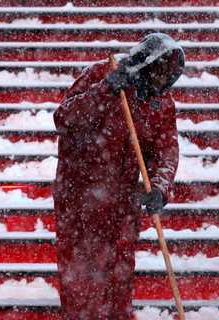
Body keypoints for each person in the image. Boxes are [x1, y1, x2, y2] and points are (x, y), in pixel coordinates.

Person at [53, 33, 184, 320]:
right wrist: (104, 91)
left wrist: (159, 187)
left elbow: (166, 150)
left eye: (169, 77)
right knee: (82, 278)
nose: (163, 82)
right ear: (145, 63)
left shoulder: (161, 102)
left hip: (122, 203)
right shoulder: (102, 74)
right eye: (159, 73)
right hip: (80, 198)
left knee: (119, 276)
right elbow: (64, 119)